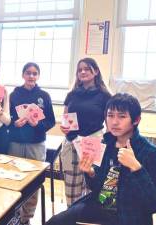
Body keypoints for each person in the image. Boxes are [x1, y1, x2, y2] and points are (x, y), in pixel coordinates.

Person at [46, 93, 156, 225]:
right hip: (100, 206)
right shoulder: (106, 144)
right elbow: (98, 188)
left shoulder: (153, 154)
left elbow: (154, 204)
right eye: (110, 115)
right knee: (55, 222)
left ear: (136, 120)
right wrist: (91, 173)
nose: (114, 122)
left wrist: (136, 168)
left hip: (128, 215)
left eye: (122, 116)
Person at [8, 62, 55, 225]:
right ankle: (14, 215)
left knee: (34, 180)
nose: (31, 76)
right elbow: (8, 119)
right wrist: (14, 123)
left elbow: (51, 121)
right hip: (16, 143)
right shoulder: (14, 95)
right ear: (23, 75)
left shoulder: (44, 95)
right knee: (14, 178)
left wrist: (38, 125)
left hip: (36, 143)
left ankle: (27, 217)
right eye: (28, 73)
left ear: (38, 76)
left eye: (35, 73)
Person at [60, 58, 111, 206]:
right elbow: (65, 117)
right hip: (71, 142)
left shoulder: (105, 96)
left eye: (87, 69)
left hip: (93, 143)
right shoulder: (72, 94)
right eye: (79, 69)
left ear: (95, 71)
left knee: (92, 187)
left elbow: (109, 125)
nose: (82, 72)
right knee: (71, 188)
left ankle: (87, 218)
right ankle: (72, 215)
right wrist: (64, 127)